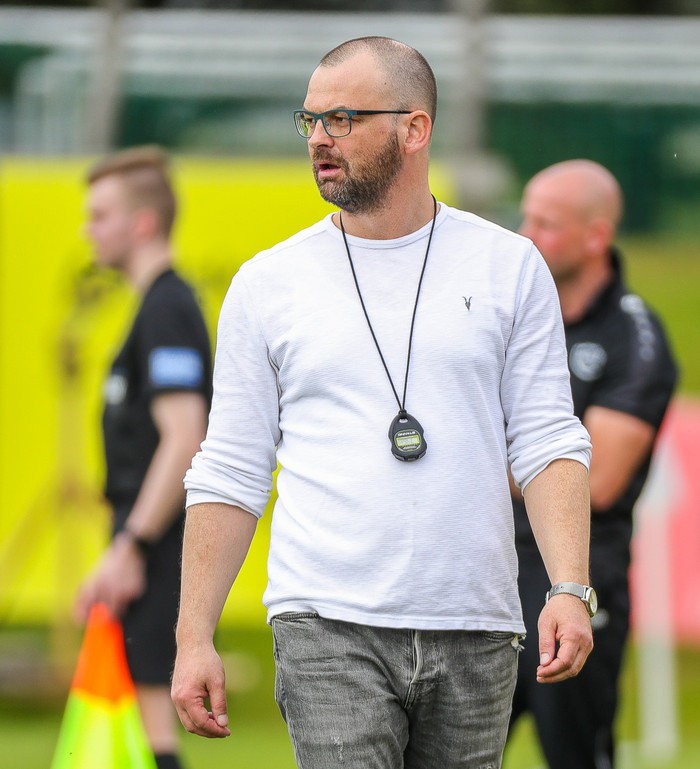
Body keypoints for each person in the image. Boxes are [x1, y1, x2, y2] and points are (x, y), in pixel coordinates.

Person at [171, 37, 594, 769]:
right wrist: (192, 636)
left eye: (341, 118)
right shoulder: (267, 282)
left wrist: (569, 587)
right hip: (325, 622)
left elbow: (547, 438)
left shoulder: (509, 265)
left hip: (476, 623)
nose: (319, 139)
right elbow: (231, 468)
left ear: (415, 128)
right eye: (309, 120)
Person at [507, 159, 678, 769]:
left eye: (546, 224)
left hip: (574, 575)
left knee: (575, 756)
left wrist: (467, 460)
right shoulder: (511, 317)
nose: (526, 235)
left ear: (595, 236)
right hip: (485, 569)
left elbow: (596, 483)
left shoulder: (635, 336)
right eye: (525, 217)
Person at [75, 146, 212, 769]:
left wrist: (130, 546)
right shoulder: (153, 306)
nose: (88, 230)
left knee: (153, 721)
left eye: (99, 215)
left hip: (159, 545)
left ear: (143, 223)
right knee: (138, 720)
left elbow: (185, 438)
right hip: (146, 540)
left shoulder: (167, 308)